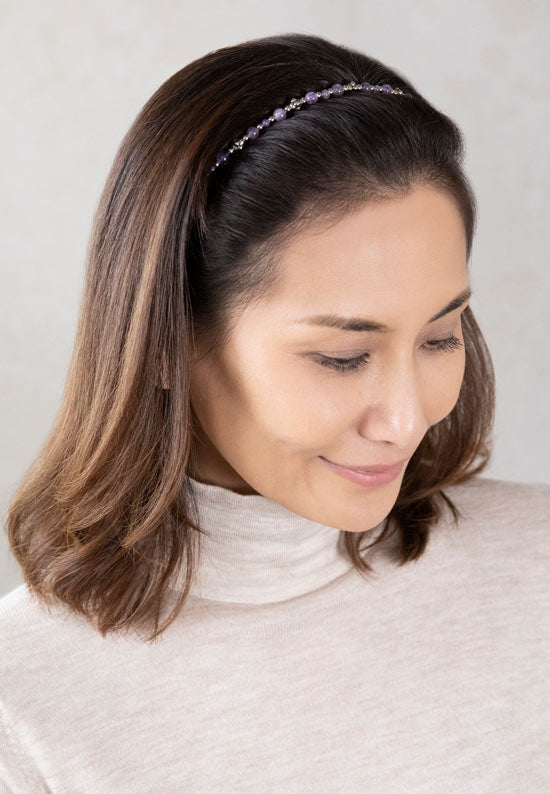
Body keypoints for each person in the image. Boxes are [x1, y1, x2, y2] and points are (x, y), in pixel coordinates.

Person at [0, 31, 548, 793]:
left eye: (440, 337)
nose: (405, 420)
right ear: (166, 341)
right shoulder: (25, 706)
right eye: (342, 357)